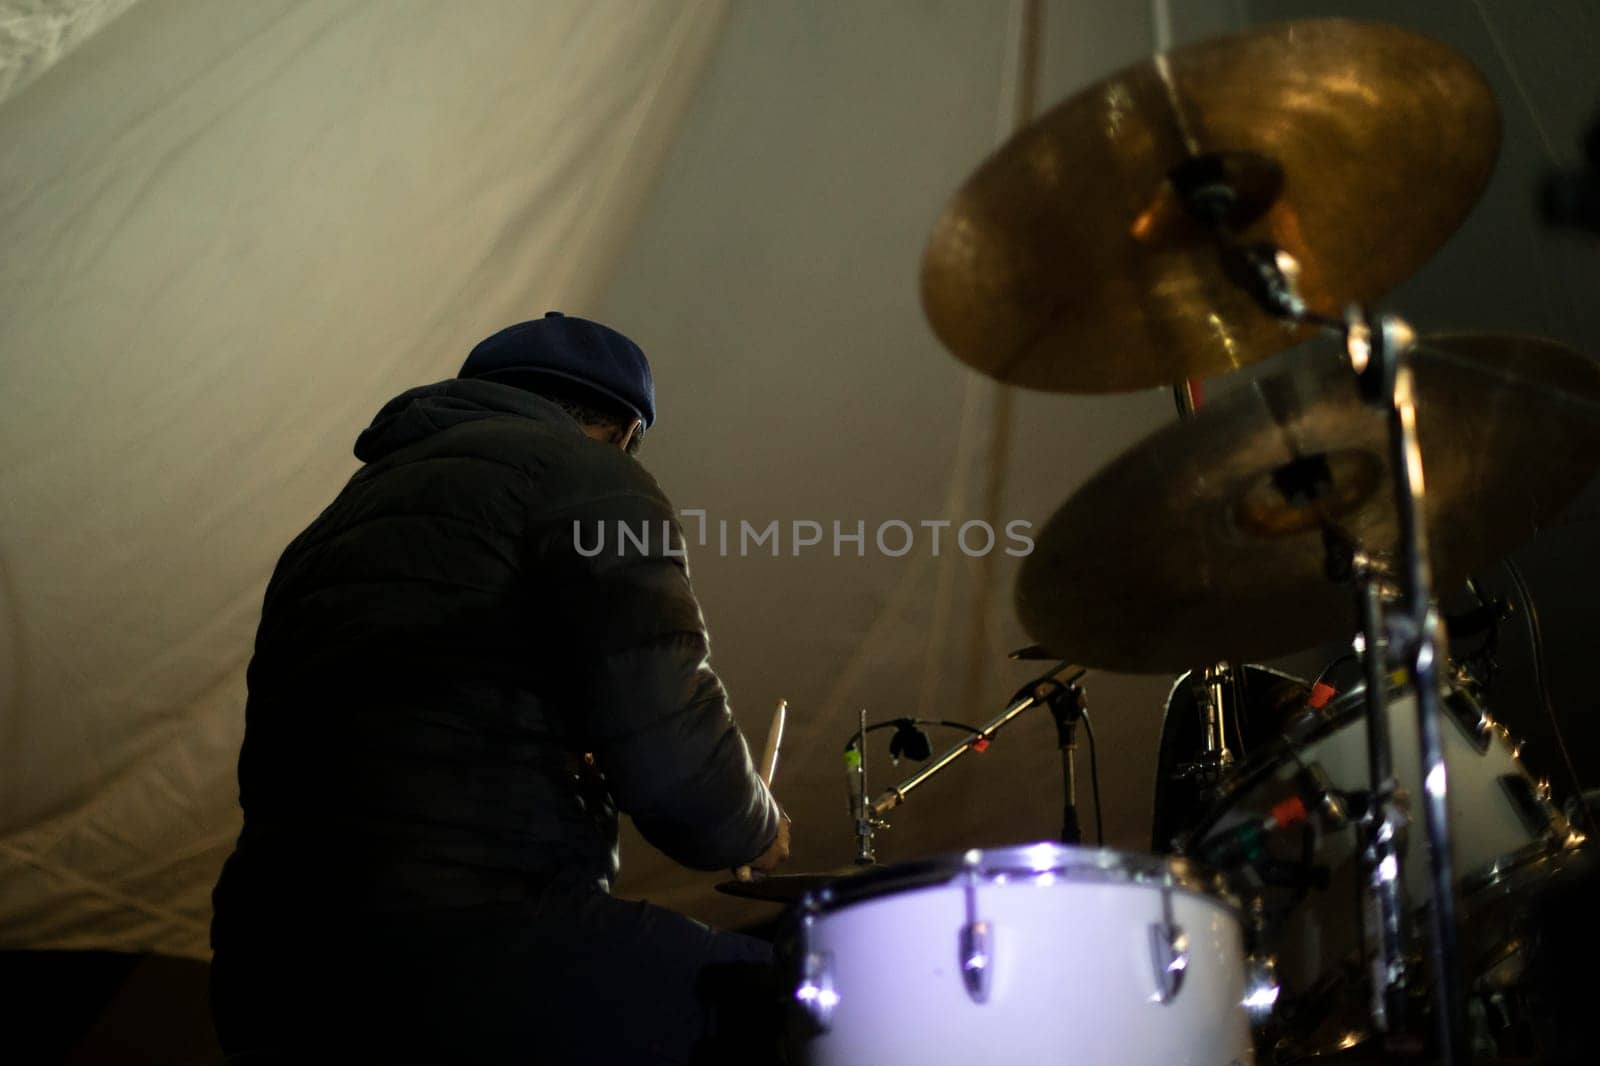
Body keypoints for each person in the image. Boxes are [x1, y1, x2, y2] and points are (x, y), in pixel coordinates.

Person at [209, 312, 791, 1064]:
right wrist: (752, 826)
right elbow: (675, 763)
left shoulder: (335, 524)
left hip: (269, 966)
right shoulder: (589, 478)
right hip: (464, 946)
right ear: (622, 431)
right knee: (799, 1014)